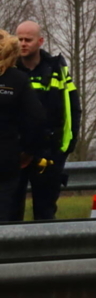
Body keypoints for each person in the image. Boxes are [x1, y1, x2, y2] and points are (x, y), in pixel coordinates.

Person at [13, 20, 80, 221]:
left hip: (48, 153)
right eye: (19, 39)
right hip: (15, 154)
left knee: (45, 213)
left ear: (40, 41)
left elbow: (71, 110)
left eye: (28, 39)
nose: (23, 43)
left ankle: (45, 251)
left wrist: (64, 149)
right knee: (9, 213)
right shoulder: (8, 69)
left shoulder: (55, 70)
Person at [0, 30, 47, 221]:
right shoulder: (18, 80)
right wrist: (28, 151)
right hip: (6, 160)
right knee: (5, 215)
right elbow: (37, 119)